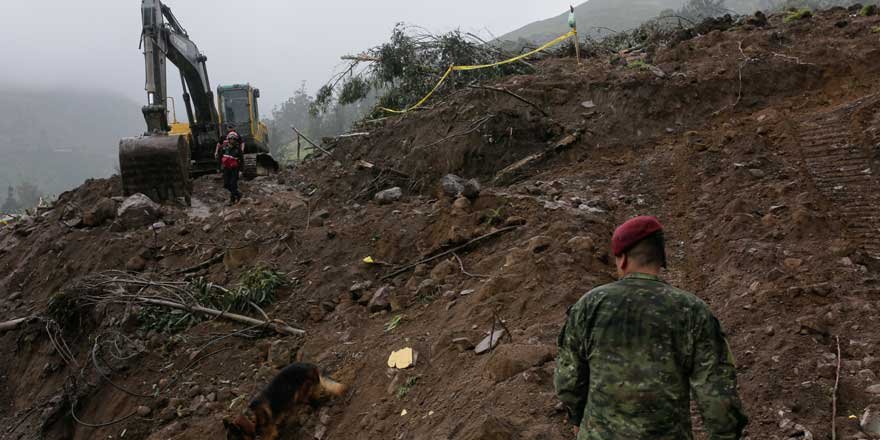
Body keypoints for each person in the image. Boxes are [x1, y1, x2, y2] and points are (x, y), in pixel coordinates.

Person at [554, 216, 748, 439]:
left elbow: (568, 379)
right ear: (660, 259)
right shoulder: (693, 311)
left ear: (623, 259)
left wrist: (577, 417)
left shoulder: (589, 305)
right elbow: (717, 394)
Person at [217, 131, 245, 205]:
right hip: (226, 169)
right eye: (231, 139)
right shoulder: (223, 148)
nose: (232, 140)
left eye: (234, 139)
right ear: (228, 139)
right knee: (226, 184)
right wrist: (218, 168)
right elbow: (220, 158)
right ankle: (238, 194)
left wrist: (241, 171)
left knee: (233, 184)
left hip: (235, 169)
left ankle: (232, 200)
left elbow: (242, 160)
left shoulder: (238, 149)